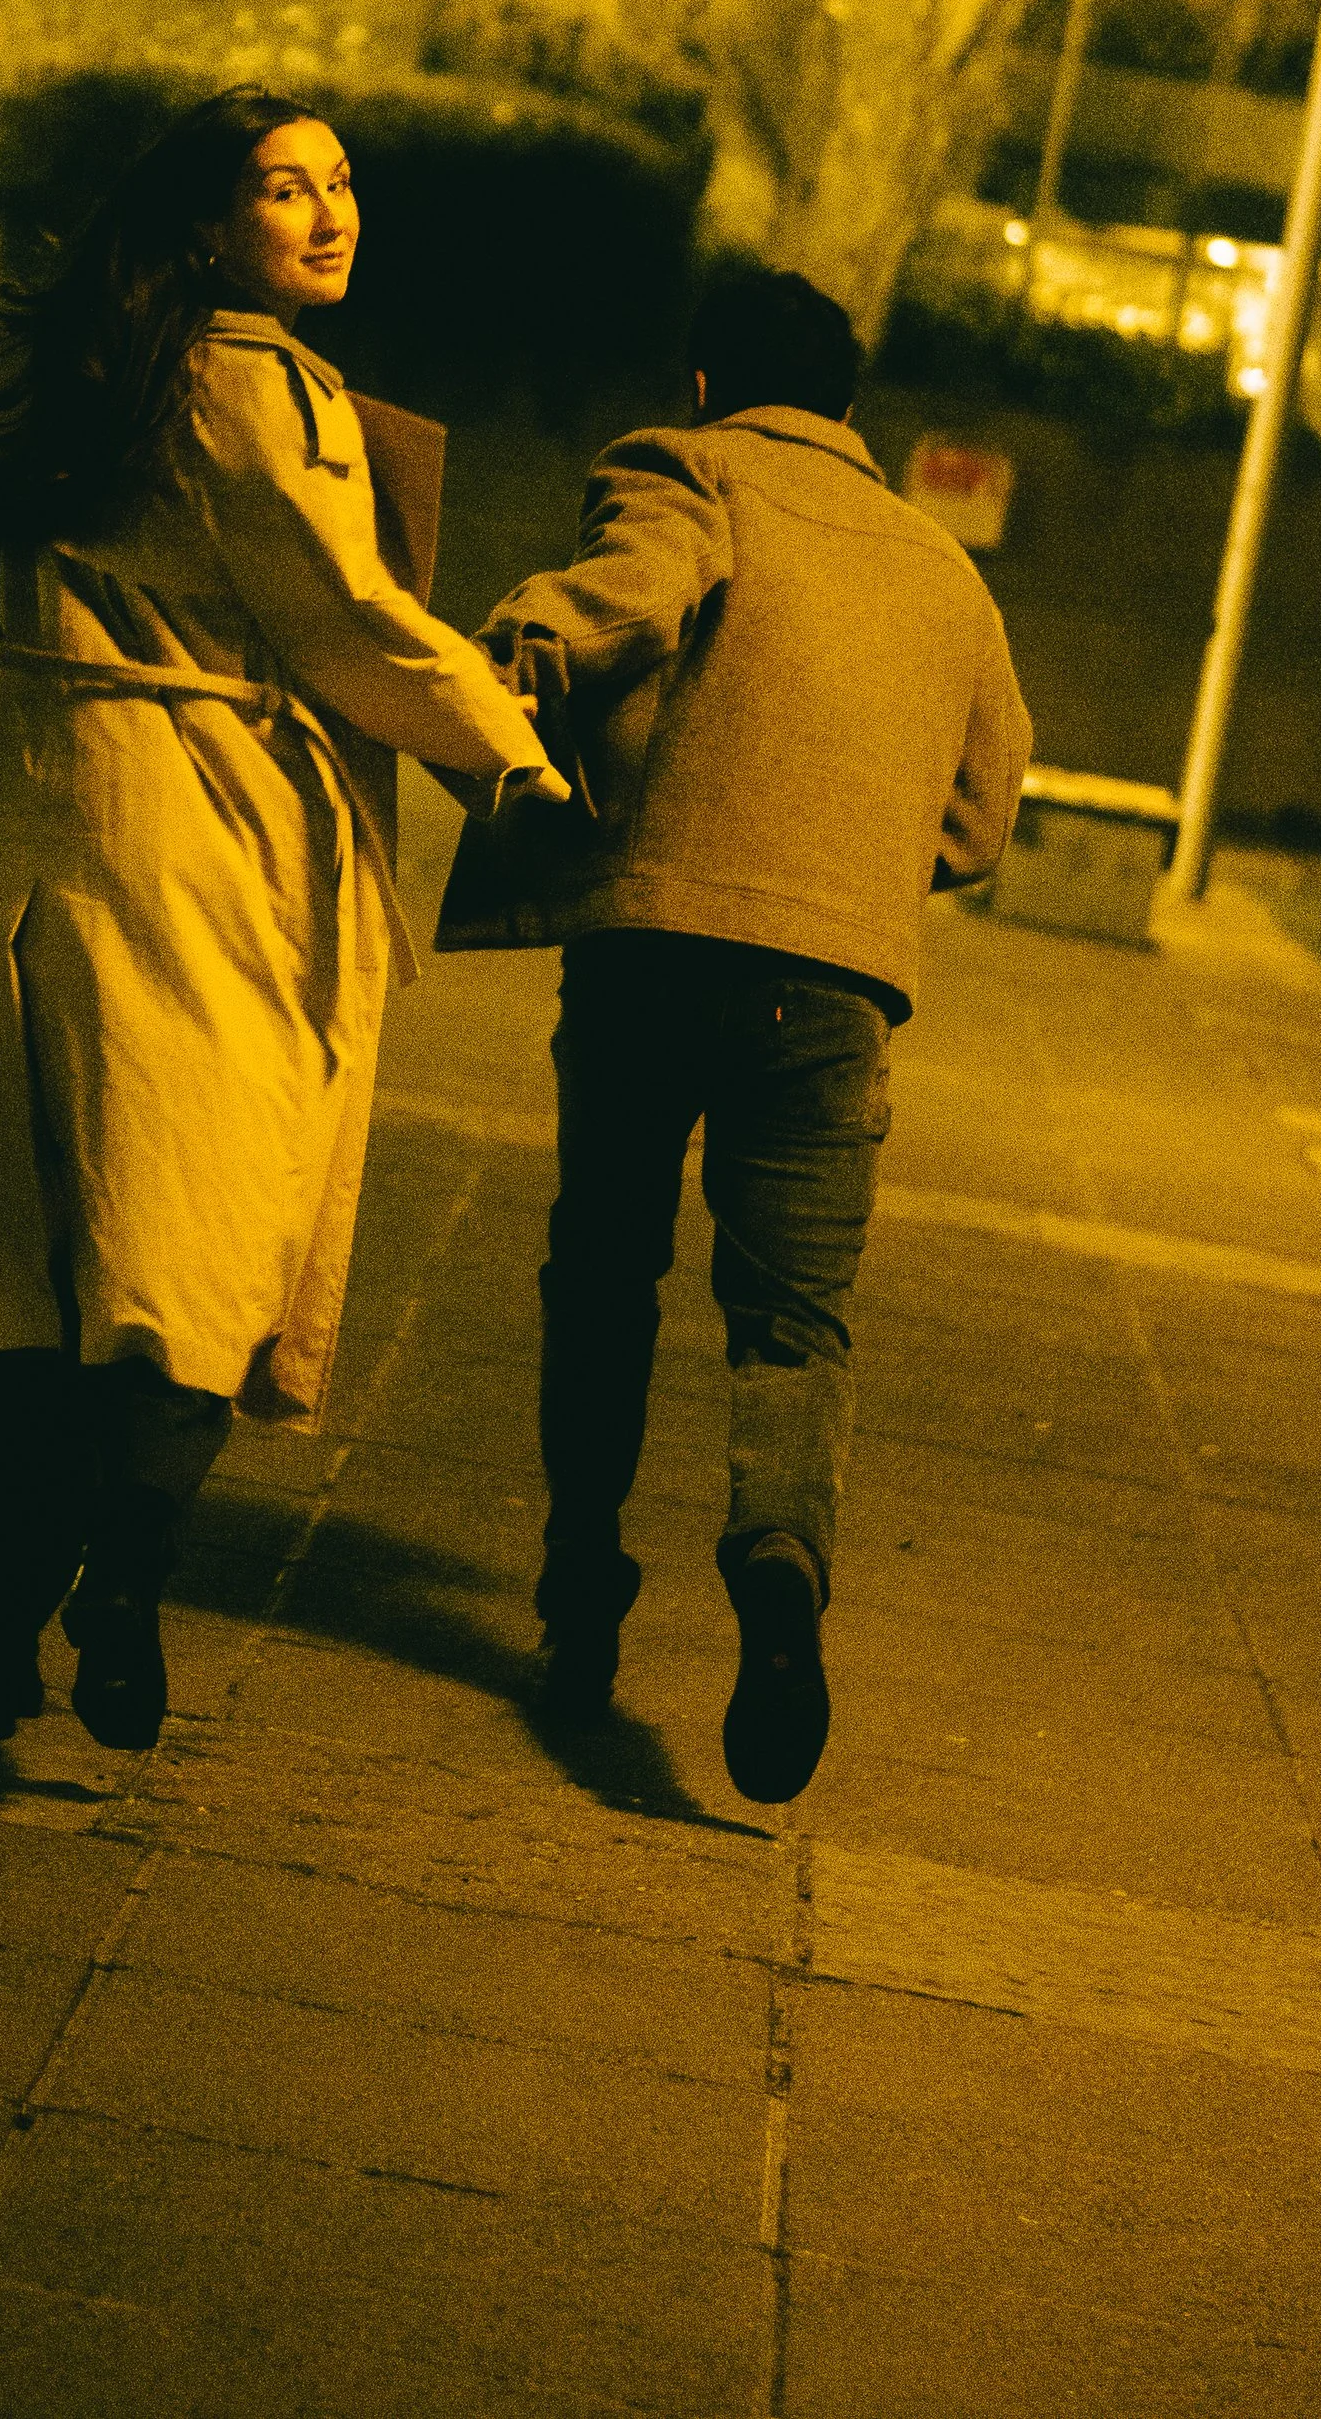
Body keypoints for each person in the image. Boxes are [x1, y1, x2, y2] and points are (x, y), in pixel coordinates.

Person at [0, 89, 563, 1752]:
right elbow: (349, 621)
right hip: (190, 828)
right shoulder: (248, 392)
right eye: (284, 189)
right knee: (190, 1219)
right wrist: (511, 760)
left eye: (340, 184)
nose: (329, 215)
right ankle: (122, 1576)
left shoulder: (85, 366)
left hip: (20, 821)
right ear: (209, 222)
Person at [436, 265, 1029, 1803]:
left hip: (653, 954)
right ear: (848, 408)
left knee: (608, 1270)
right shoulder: (941, 571)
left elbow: (611, 607)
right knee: (793, 1320)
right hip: (830, 989)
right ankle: (778, 1579)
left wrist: (477, 683)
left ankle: (583, 1590)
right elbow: (978, 825)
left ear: (707, 387)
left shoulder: (688, 472)